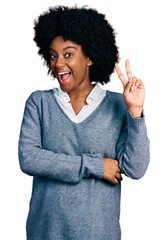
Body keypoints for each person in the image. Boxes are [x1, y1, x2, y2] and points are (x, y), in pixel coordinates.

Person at [18, 6, 150, 240]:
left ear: (89, 57)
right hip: (44, 234)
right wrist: (96, 166)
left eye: (68, 54)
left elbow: (135, 169)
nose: (58, 63)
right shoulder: (39, 103)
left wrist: (136, 112)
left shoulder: (117, 105)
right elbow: (29, 158)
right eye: (53, 55)